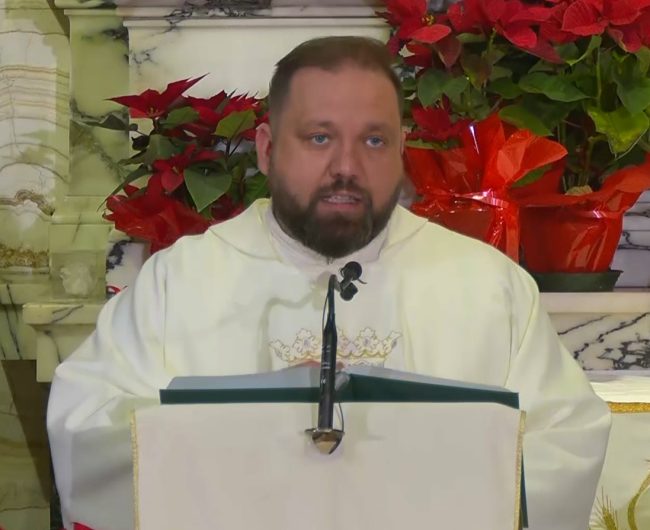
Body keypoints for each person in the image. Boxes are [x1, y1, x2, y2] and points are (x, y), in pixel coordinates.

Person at [48, 36, 611, 530]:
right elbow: (87, 426)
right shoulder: (178, 284)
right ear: (267, 149)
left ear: (402, 151)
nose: (347, 166)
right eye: (319, 138)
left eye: (374, 141)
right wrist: (248, 431)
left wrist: (425, 446)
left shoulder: (488, 287)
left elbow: (565, 441)